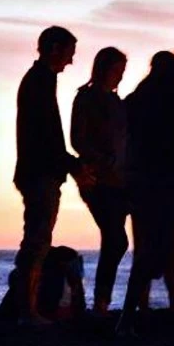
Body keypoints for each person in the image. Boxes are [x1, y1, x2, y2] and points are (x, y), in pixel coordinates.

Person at [12, 26, 94, 326]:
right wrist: (72, 165)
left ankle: (27, 308)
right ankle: (27, 311)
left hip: (39, 171)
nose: (70, 62)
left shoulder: (41, 81)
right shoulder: (39, 82)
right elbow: (47, 136)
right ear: (55, 48)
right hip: (39, 173)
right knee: (37, 241)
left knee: (37, 239)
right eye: (69, 54)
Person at [118, 50, 174, 334]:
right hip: (163, 181)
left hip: (142, 182)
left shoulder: (135, 101)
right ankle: (140, 313)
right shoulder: (172, 99)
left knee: (149, 248)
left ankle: (133, 312)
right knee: (163, 246)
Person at [70, 47, 130, 314]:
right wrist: (101, 160)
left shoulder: (118, 103)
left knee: (115, 239)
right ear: (103, 69)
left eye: (122, 72)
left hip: (120, 180)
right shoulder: (86, 98)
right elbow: (77, 139)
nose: (119, 76)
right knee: (116, 239)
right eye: (116, 70)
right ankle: (101, 302)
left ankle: (102, 302)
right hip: (96, 179)